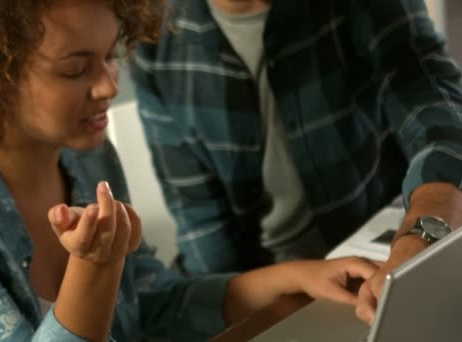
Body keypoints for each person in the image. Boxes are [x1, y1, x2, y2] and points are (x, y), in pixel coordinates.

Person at [0, 0, 382, 341]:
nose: (109, 87)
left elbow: (151, 304)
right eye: (75, 69)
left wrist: (299, 277)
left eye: (112, 56)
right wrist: (94, 267)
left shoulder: (83, 155)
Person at [130, 0, 462, 325]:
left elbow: (436, 105)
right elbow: (203, 228)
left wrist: (424, 230)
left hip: (377, 260)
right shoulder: (156, 33)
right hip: (263, 290)